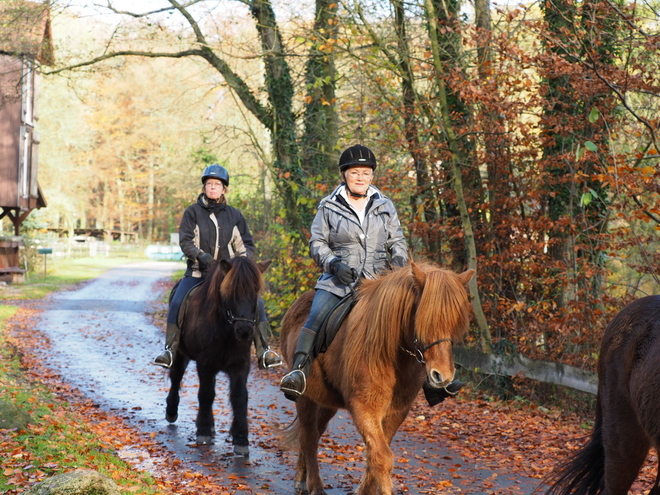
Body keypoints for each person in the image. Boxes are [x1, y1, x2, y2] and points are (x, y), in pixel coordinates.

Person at [278, 144, 463, 404]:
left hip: (379, 282)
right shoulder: (328, 206)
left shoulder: (384, 205)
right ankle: (298, 372)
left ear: (372, 176)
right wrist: (333, 265)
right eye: (355, 173)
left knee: (416, 320)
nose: (360, 178)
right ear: (344, 175)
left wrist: (399, 267)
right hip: (338, 282)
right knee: (316, 316)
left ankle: (433, 383)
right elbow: (317, 243)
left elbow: (396, 241)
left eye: (365, 173)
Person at [153, 164, 282, 370]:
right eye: (209, 184)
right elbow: (185, 241)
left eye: (217, 184)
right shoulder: (192, 212)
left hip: (227, 275)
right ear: (204, 188)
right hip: (198, 272)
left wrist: (241, 265)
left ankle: (264, 350)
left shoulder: (235, 215)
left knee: (256, 302)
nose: (213, 187)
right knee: (178, 300)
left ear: (224, 189)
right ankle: (170, 348)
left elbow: (246, 245)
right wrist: (200, 256)